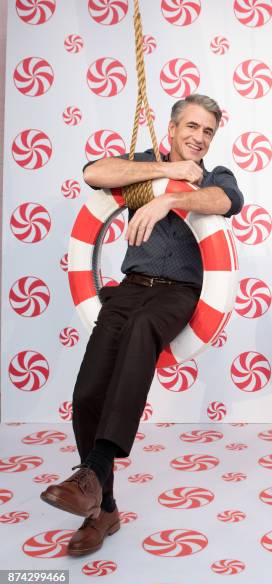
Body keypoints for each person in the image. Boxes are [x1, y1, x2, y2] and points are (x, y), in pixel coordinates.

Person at [40, 94, 244, 555]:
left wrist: (170, 200)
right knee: (88, 390)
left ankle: (90, 472)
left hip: (178, 293)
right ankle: (103, 507)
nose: (199, 137)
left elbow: (227, 200)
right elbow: (95, 172)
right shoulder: (145, 163)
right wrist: (166, 173)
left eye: (208, 131)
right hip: (130, 286)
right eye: (191, 127)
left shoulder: (214, 175)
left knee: (141, 330)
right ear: (171, 129)